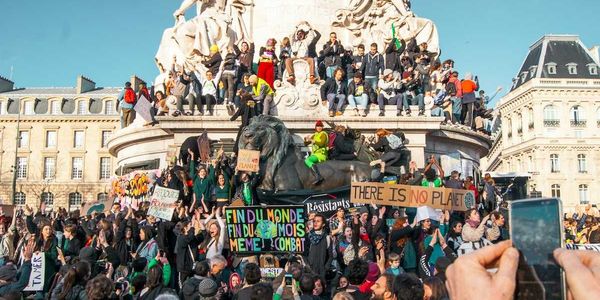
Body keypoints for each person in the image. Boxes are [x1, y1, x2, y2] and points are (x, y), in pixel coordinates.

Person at [305, 214, 333, 280]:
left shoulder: (327, 237)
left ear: (323, 224)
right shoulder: (308, 236)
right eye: (314, 221)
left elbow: (330, 256)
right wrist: (307, 266)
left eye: (318, 221)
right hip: (309, 271)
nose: (315, 223)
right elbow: (304, 254)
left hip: (321, 272)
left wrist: (325, 268)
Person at [304, 120, 329, 185]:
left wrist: (312, 140)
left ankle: (318, 176)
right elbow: (306, 144)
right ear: (315, 127)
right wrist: (306, 139)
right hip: (315, 155)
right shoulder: (315, 134)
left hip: (321, 155)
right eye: (318, 126)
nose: (319, 127)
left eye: (320, 126)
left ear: (322, 127)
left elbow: (321, 143)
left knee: (307, 160)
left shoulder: (323, 134)